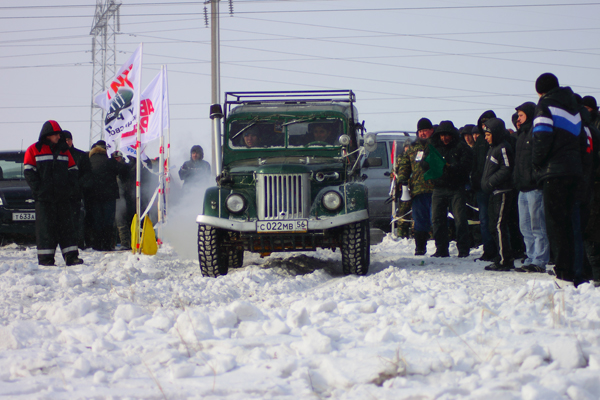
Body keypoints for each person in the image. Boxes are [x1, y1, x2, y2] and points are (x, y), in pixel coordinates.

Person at [532, 73, 583, 282]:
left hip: (554, 171)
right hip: (575, 170)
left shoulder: (545, 105)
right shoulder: (573, 107)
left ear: (539, 91)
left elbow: (542, 136)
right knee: (571, 222)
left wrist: (536, 162)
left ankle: (563, 270)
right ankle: (574, 268)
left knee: (556, 223)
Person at [23, 120, 83, 266]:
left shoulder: (64, 150)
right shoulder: (33, 150)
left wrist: (67, 189)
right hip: (44, 199)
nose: (59, 137)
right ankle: (46, 259)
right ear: (48, 135)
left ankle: (71, 257)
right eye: (56, 135)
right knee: (45, 229)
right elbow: (29, 172)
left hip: (62, 198)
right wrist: (40, 191)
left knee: (67, 228)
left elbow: (73, 170)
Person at [423, 120, 473, 258]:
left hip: (456, 188)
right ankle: (441, 249)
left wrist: (451, 167)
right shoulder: (432, 147)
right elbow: (424, 164)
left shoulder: (461, 147)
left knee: (460, 219)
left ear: (452, 135)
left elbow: (467, 165)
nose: (444, 138)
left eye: (447, 135)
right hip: (438, 188)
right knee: (437, 219)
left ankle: (463, 250)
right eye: (442, 135)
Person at [512, 102, 550, 273]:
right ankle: (530, 257)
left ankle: (540, 260)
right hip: (522, 188)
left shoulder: (536, 132)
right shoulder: (521, 135)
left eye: (521, 115)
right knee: (525, 227)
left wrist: (536, 177)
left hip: (535, 187)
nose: (518, 119)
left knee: (538, 226)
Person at [394, 118, 435, 255]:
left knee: (437, 219)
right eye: (420, 131)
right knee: (419, 221)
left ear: (431, 131)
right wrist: (402, 180)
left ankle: (442, 248)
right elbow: (404, 166)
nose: (423, 133)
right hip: (418, 191)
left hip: (437, 189)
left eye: (425, 131)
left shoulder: (436, 145)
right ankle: (420, 248)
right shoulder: (412, 148)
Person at [481, 118, 516, 271]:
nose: (485, 137)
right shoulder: (492, 148)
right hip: (494, 192)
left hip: (502, 191)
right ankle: (501, 256)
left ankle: (505, 260)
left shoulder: (503, 147)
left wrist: (491, 182)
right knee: (493, 226)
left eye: (488, 134)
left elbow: (507, 168)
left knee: (499, 225)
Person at [88, 141, 131, 251]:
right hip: (109, 196)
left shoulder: (88, 161)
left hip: (93, 196)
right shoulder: (110, 162)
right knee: (108, 221)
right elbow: (124, 171)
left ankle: (96, 244)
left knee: (97, 221)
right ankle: (107, 244)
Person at [471, 110, 498, 262]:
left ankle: (500, 250)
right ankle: (488, 249)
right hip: (481, 187)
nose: (484, 126)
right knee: (485, 220)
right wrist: (475, 181)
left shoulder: (500, 141)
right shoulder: (480, 142)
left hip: (496, 187)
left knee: (497, 220)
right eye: (482, 124)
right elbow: (474, 164)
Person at [63, 130, 93, 249]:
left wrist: (77, 185)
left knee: (77, 221)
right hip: (61, 194)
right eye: (65, 140)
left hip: (77, 194)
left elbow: (87, 175)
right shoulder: (57, 155)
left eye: (69, 140)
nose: (68, 142)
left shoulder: (81, 155)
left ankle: (78, 244)